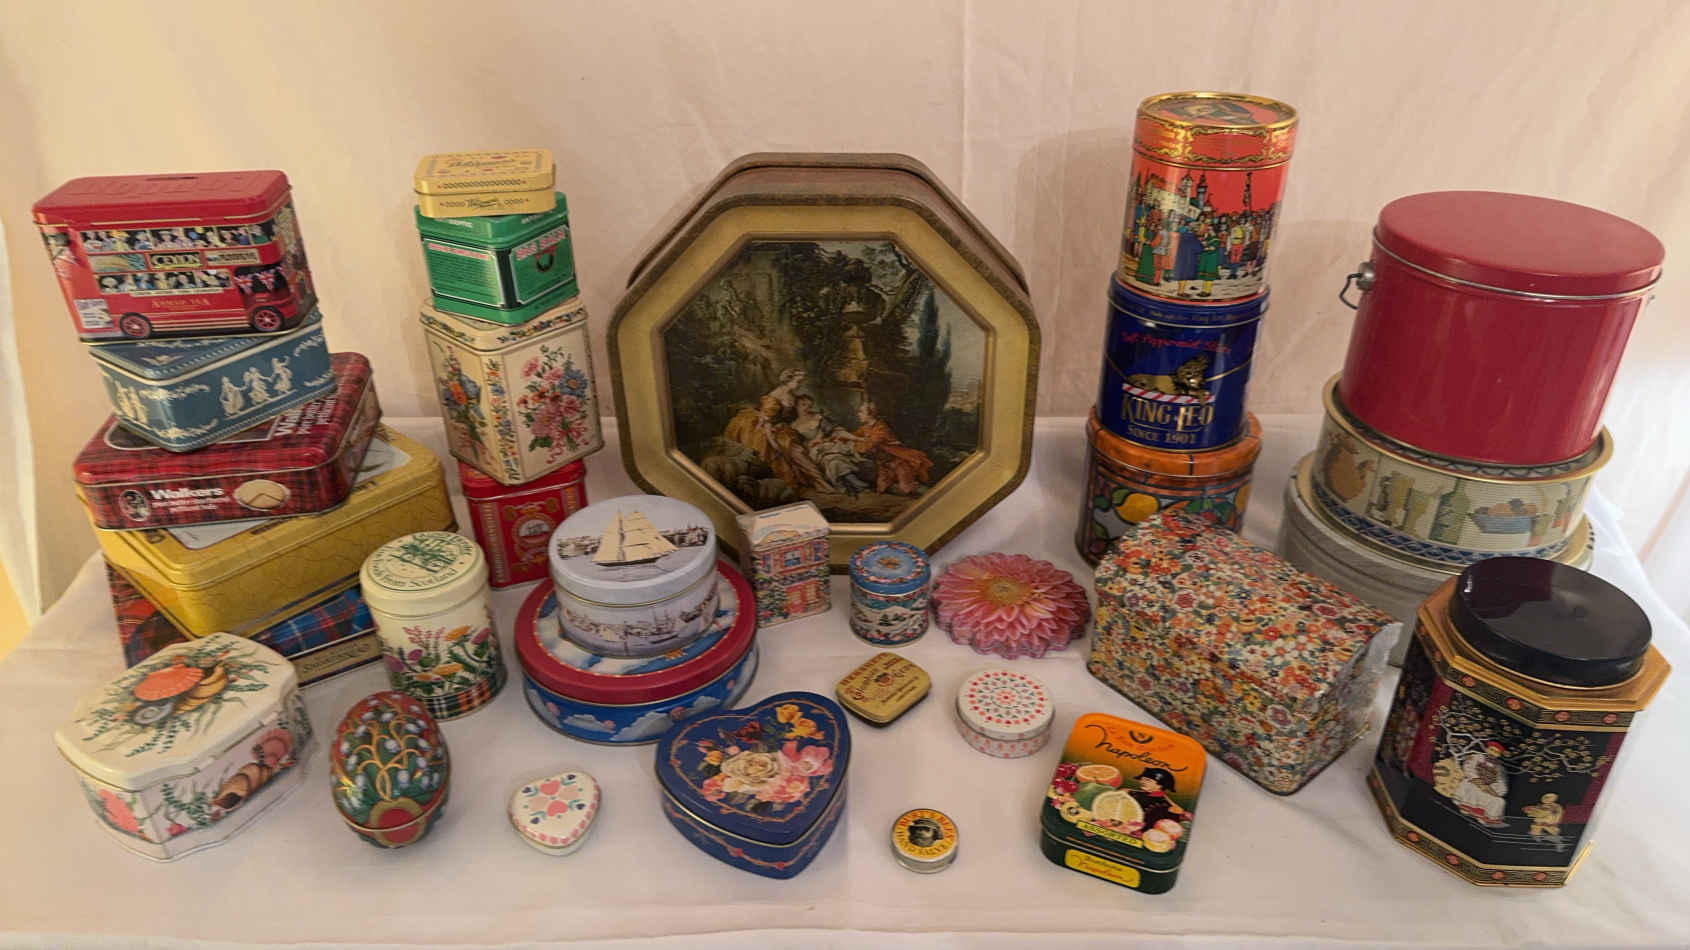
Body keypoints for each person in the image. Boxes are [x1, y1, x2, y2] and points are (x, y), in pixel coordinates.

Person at [851, 401, 932, 496]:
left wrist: (854, 439)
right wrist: (842, 435)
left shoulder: (881, 428)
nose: (858, 414)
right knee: (883, 488)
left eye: (861, 411)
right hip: (884, 465)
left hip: (899, 462)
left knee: (906, 488)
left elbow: (870, 444)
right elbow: (854, 435)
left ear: (870, 414)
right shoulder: (866, 428)